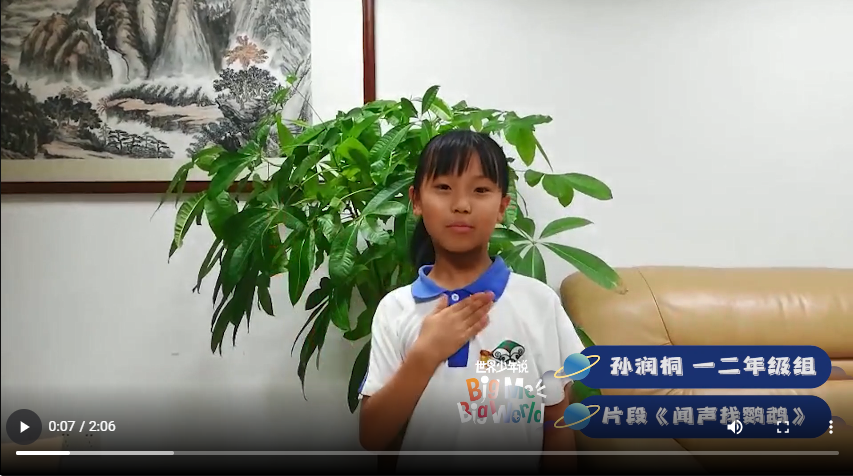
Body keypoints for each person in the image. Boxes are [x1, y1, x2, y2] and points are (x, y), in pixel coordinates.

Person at [358, 129, 585, 473]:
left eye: (480, 190)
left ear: (503, 206)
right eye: (443, 188)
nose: (462, 205)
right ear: (416, 201)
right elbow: (373, 435)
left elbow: (557, 423)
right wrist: (425, 354)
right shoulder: (396, 308)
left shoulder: (539, 303)